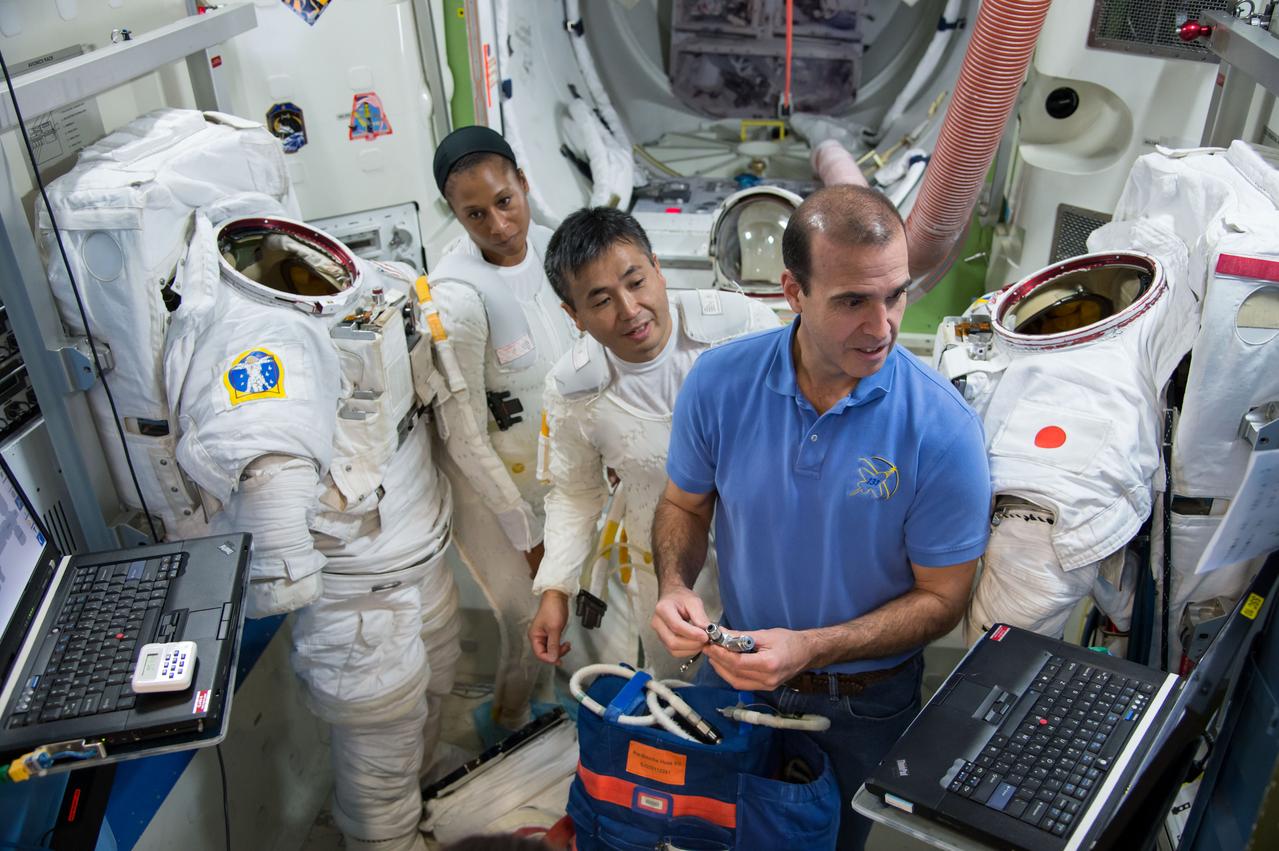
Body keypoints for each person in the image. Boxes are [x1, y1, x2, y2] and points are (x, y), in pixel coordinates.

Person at [649, 184, 992, 848]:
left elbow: (943, 598)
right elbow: (682, 506)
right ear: (792, 291)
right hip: (738, 675)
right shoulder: (719, 384)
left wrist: (810, 647)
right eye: (852, 301)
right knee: (724, 833)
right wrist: (673, 585)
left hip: (863, 702)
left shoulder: (941, 431)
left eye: (894, 294)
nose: (882, 325)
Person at [166, 215, 458, 851]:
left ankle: (426, 803)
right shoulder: (266, 349)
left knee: (434, 693)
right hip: (360, 597)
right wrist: (292, 574)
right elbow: (271, 515)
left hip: (418, 550)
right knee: (384, 748)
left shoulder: (372, 290)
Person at [528, 207, 779, 675]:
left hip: (771, 555)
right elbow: (576, 492)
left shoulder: (745, 329)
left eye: (636, 281)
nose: (629, 309)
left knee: (776, 693)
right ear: (573, 315)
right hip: (667, 573)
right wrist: (555, 587)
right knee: (682, 700)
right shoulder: (574, 390)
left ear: (658, 269)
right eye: (600, 300)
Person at [427, 126, 579, 734]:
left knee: (567, 609)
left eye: (504, 200)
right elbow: (463, 434)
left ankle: (558, 713)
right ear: (456, 216)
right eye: (474, 213)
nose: (496, 223)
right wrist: (526, 533)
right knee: (527, 615)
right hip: (490, 491)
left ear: (523, 183)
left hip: (558, 472)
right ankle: (509, 722)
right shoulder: (457, 299)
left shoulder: (559, 251)